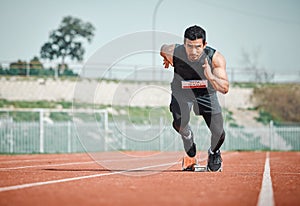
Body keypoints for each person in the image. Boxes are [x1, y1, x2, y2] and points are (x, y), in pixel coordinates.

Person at [160, 25, 229, 172]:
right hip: (182, 92)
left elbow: (224, 88)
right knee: (179, 123)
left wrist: (210, 76)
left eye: (198, 47)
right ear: (184, 44)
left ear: (204, 45)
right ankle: (187, 135)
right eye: (189, 46)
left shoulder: (215, 58)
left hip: (206, 94)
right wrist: (165, 58)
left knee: (219, 133)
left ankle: (214, 152)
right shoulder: (175, 52)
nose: (193, 51)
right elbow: (163, 48)